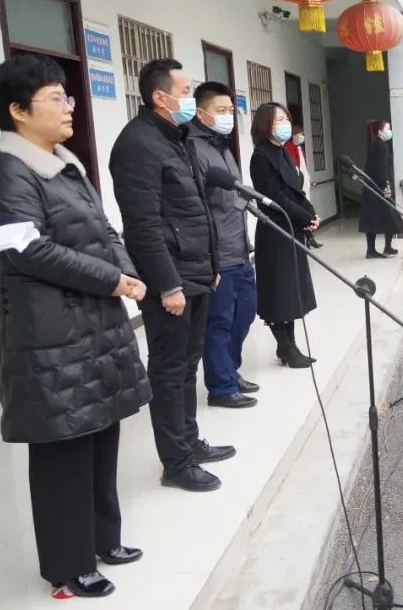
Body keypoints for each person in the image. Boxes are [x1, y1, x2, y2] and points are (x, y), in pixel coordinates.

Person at [0, 55, 151, 599]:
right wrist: (112, 279)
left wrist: (126, 270)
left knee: (101, 431)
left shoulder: (63, 163)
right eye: (56, 98)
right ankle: (68, 565)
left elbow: (103, 230)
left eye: (67, 96)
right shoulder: (8, 171)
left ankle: (104, 540)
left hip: (94, 322)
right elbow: (32, 251)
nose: (68, 106)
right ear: (17, 110)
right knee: (64, 447)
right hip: (49, 334)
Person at [110, 58, 233, 493]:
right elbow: (142, 225)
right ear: (160, 97)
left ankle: (189, 442)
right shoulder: (138, 144)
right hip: (172, 278)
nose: (190, 97)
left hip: (196, 271)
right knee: (168, 368)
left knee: (188, 364)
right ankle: (176, 463)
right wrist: (168, 284)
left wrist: (212, 266)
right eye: (184, 90)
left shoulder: (176, 138)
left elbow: (196, 209)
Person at [188, 82, 259, 409]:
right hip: (219, 254)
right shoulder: (193, 149)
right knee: (219, 322)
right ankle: (221, 386)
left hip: (240, 249)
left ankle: (230, 369)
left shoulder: (223, 147)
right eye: (221, 110)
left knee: (245, 312)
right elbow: (198, 207)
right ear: (201, 113)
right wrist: (209, 258)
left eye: (231, 110)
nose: (228, 116)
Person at [249, 103, 319, 368]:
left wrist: (310, 214)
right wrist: (304, 217)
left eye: (286, 119)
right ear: (265, 124)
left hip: (292, 228)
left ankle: (289, 346)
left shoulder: (283, 152)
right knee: (279, 293)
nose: (285, 124)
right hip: (275, 231)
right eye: (279, 119)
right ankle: (286, 348)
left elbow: (296, 191)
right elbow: (275, 196)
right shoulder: (261, 157)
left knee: (291, 292)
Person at [359, 118, 403, 259]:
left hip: (372, 187)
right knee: (391, 217)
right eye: (387, 129)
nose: (390, 132)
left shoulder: (375, 144)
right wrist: (386, 187)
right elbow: (383, 169)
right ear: (380, 132)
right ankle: (386, 247)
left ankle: (372, 249)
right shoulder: (382, 145)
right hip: (381, 187)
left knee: (371, 218)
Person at [283, 123, 322, 248]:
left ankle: (309, 238)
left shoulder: (299, 148)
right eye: (300, 134)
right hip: (297, 186)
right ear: (294, 134)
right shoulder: (288, 147)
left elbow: (303, 167)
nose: (302, 137)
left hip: (304, 184)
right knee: (303, 211)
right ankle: (310, 238)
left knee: (306, 209)